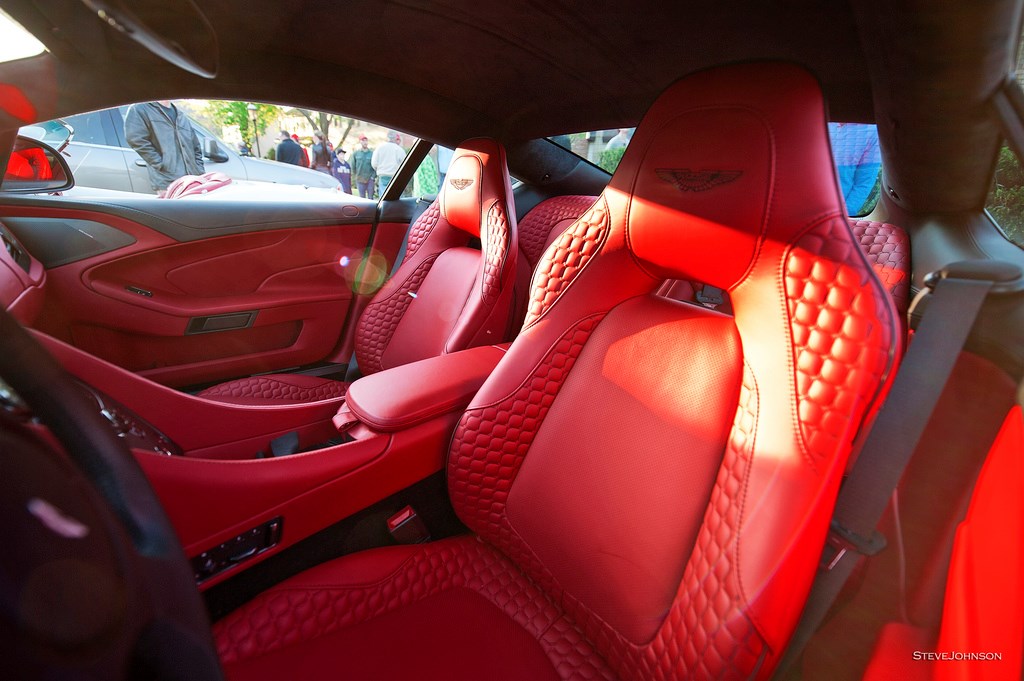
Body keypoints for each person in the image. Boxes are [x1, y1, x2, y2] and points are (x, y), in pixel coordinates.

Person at [124, 100, 204, 193]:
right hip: (168, 182)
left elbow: (196, 147)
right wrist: (161, 164)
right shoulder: (140, 109)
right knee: (174, 208)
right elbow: (135, 139)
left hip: (192, 182)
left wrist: (198, 170)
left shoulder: (180, 115)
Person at [828, 122, 882, 215]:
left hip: (837, 213)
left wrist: (843, 215)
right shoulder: (814, 119)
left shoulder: (872, 131)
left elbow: (864, 183)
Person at [371, 130, 406, 197]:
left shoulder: (379, 148)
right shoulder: (399, 149)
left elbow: (374, 163)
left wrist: (379, 169)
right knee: (397, 197)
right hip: (395, 176)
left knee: (384, 197)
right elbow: (404, 164)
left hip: (383, 175)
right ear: (396, 138)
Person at [350, 134, 374, 199]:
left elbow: (375, 166)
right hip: (360, 179)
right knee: (362, 198)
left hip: (369, 179)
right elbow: (353, 166)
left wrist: (373, 177)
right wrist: (356, 176)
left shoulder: (372, 153)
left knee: (370, 198)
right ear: (360, 142)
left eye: (366, 140)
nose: (365, 142)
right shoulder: (356, 153)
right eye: (363, 140)